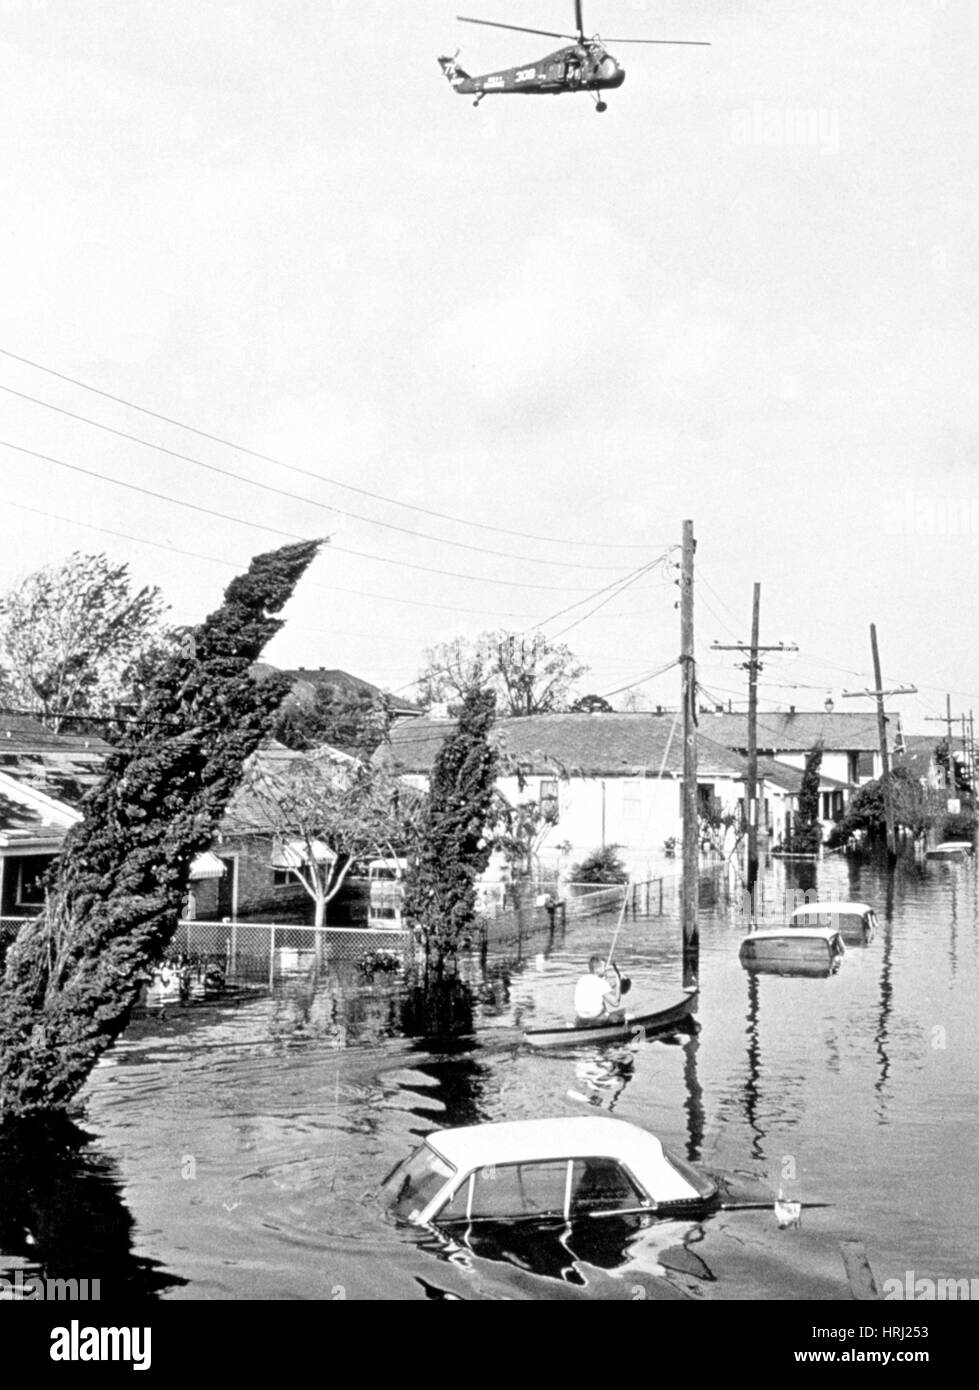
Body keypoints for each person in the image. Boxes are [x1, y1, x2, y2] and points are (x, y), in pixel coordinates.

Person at [574, 956, 624, 1025]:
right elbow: (616, 1003)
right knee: (625, 1016)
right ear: (597, 969)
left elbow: (597, 990)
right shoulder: (601, 982)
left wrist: (611, 984)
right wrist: (618, 983)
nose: (606, 969)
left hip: (580, 1018)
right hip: (596, 1019)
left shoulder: (582, 979)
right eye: (604, 966)